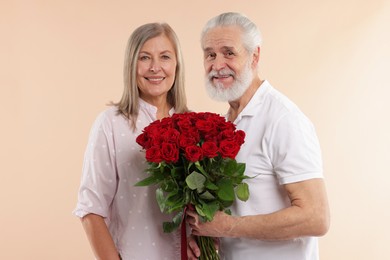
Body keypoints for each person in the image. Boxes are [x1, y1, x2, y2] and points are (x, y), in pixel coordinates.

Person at [186, 12, 330, 260]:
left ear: (255, 56)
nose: (217, 65)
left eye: (229, 52)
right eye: (210, 54)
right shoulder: (226, 122)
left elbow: (316, 217)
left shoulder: (283, 120)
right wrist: (204, 235)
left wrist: (227, 226)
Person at [73, 22, 188, 260]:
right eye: (144, 57)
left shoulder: (191, 126)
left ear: (176, 65)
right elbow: (91, 209)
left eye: (165, 57)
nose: (155, 67)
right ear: (131, 65)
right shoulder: (111, 124)